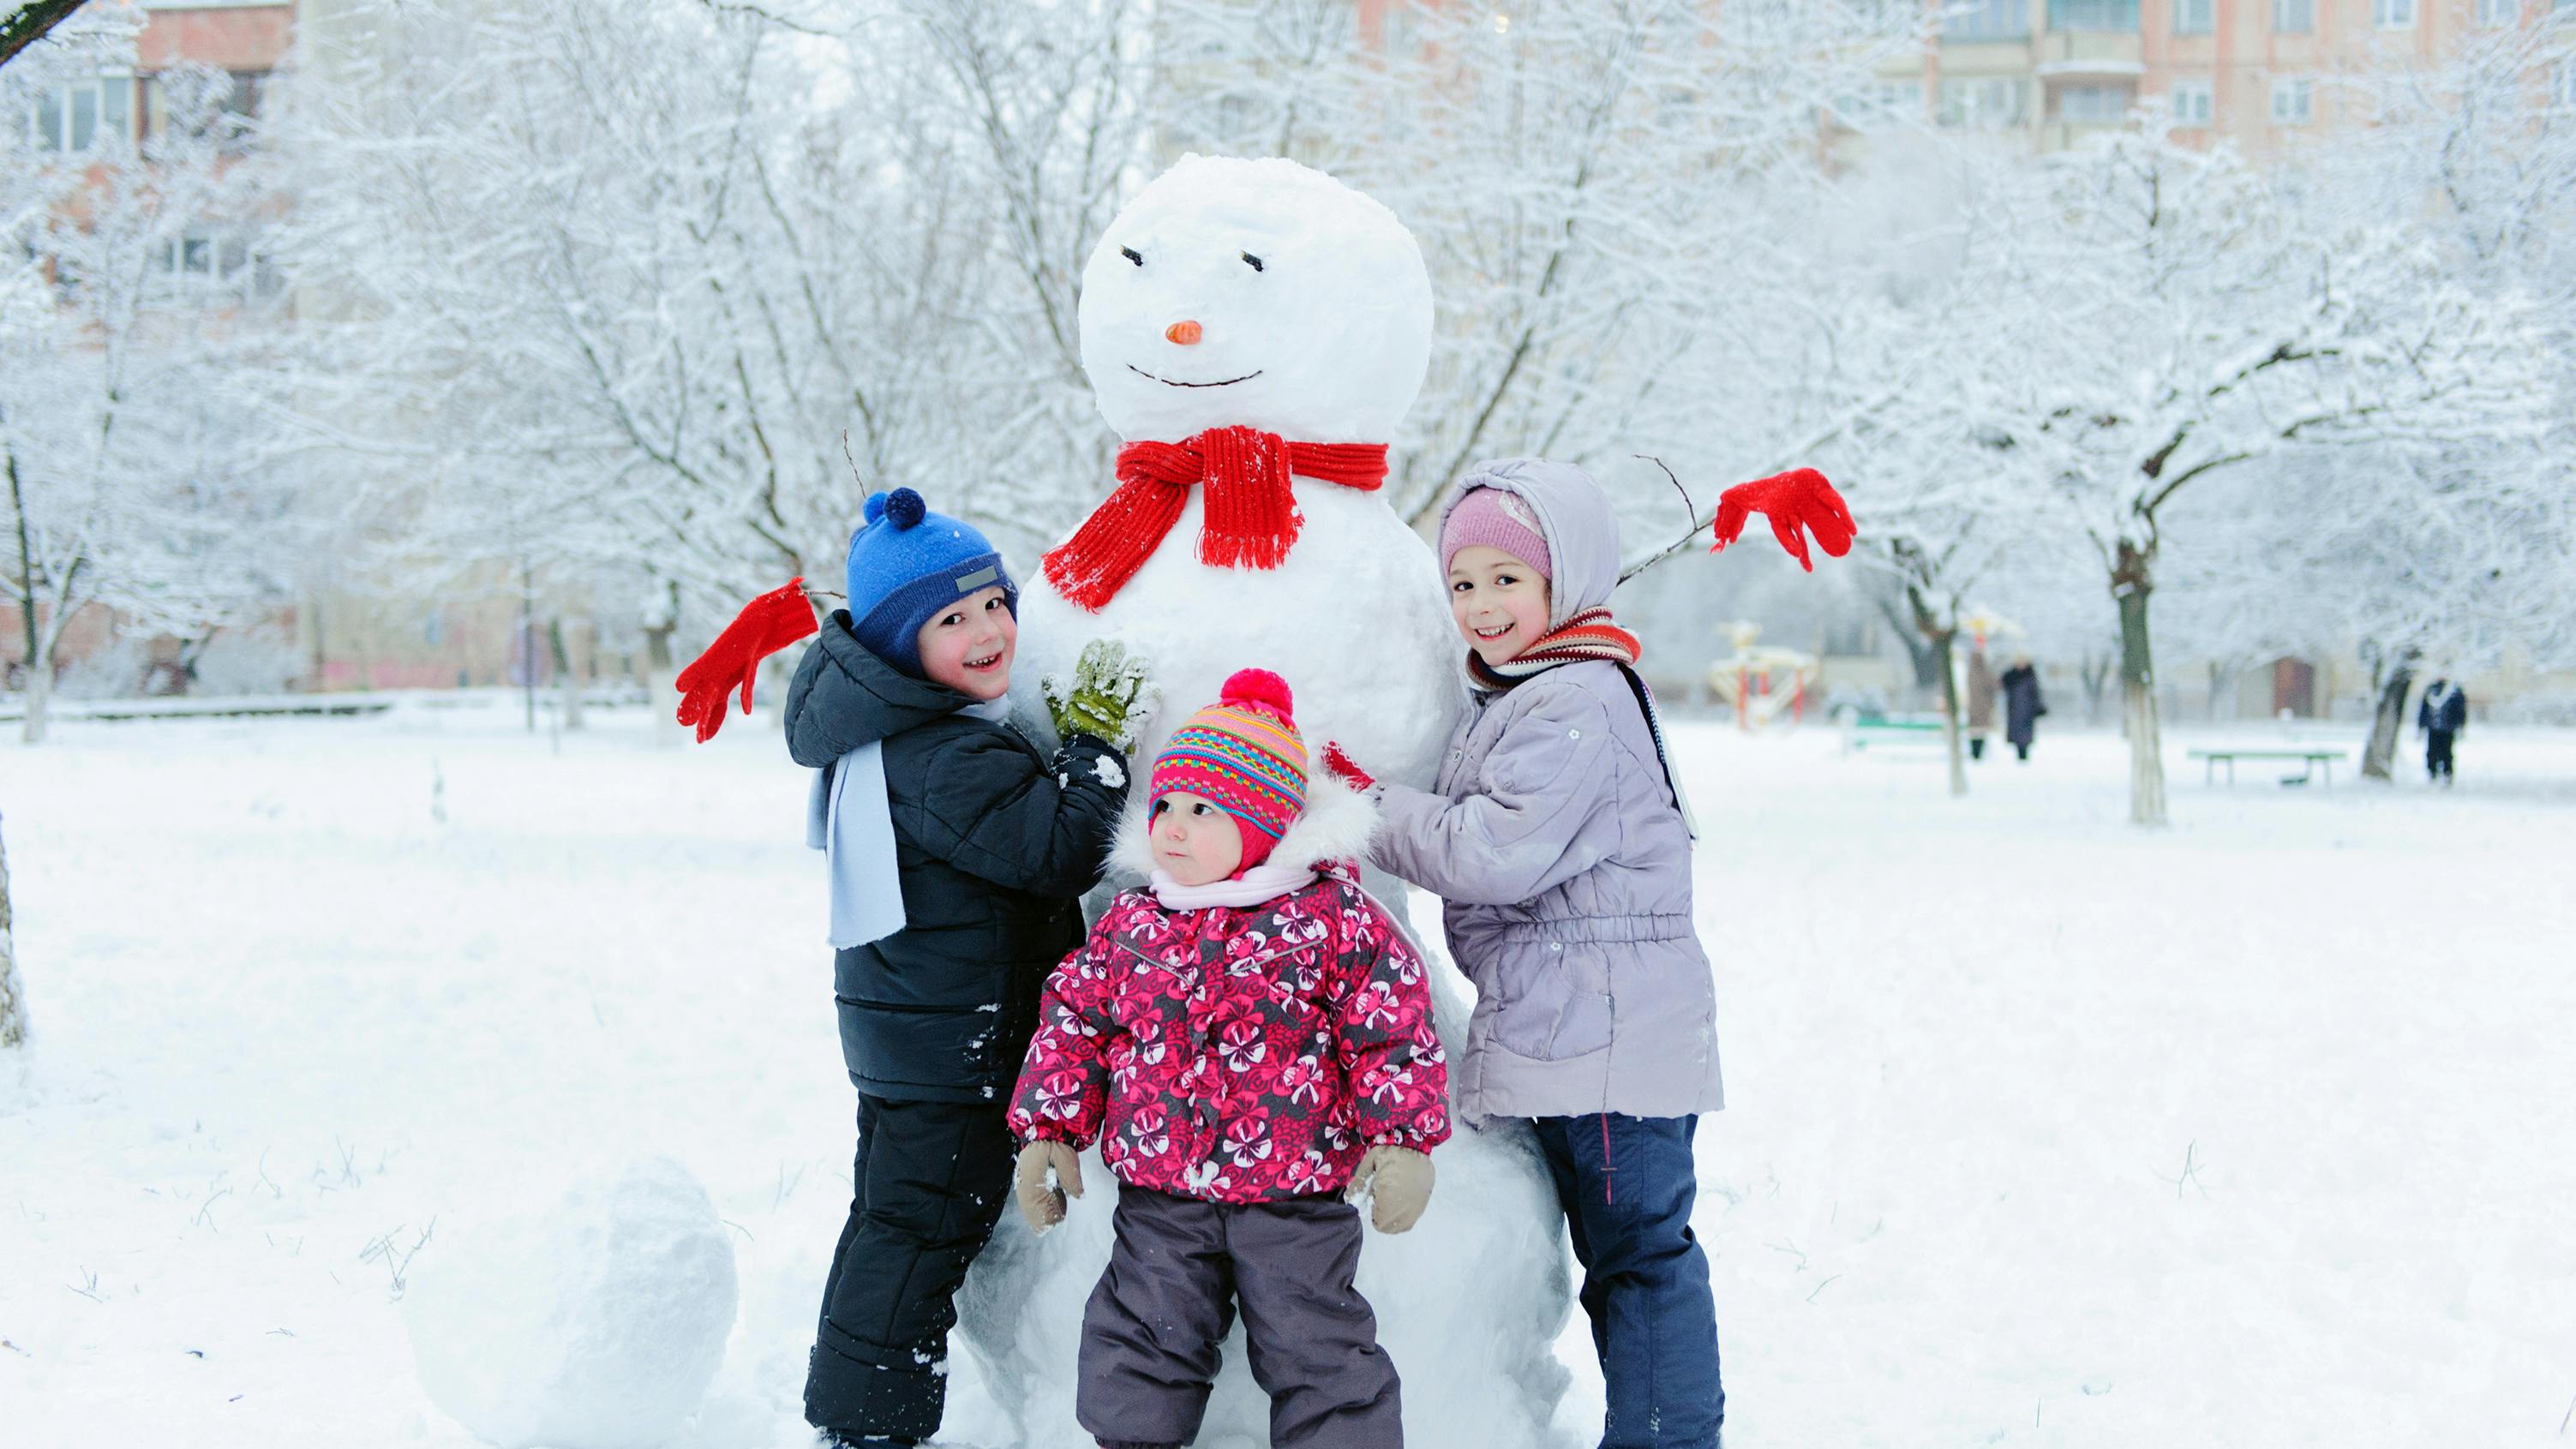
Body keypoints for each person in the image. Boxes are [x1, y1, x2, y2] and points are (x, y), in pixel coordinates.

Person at [1327, 458, 1728, 1449]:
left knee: (1638, 1255)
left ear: (1568, 575)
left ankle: (1668, 1437)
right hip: (1581, 1026)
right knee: (1626, 1254)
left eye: (1508, 577)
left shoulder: (1576, 698)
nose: (1481, 604)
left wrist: (1356, 802)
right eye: (1462, 582)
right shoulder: (1534, 690)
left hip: (1605, 1044)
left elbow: (1491, 849)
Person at [778, 487, 1151, 1449]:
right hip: (957, 1048)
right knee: (918, 1233)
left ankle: (859, 1408)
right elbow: (1059, 849)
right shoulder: (943, 756)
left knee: (896, 1218)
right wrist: (1096, 748)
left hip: (919, 1030)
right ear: (904, 642)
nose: (989, 629)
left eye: (995, 602)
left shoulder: (902, 732)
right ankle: (869, 1423)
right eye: (953, 618)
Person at [1009, 668, 1449, 1449]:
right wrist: (1048, 1126)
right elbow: (1075, 1020)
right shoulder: (1133, 924)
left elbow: (1391, 1029)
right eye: (1165, 806)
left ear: (1263, 826)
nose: (1172, 827)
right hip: (1161, 1195)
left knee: (1320, 1347)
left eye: (1202, 809)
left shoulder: (1330, 919)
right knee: (1139, 1338)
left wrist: (1403, 1140)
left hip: (1295, 1193)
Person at [2418, 676, 2467, 785]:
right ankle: (2432, 773)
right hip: (2433, 729)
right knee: (2432, 752)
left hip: (2448, 729)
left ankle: (2447, 773)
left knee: (2446, 752)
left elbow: (2460, 710)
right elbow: (2424, 708)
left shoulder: (2454, 690)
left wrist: (2460, 724)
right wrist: (2421, 724)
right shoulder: (2432, 689)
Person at [1999, 653, 2046, 762]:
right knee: (2017, 735)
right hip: (2014, 710)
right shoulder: (2011, 676)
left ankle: (2024, 757)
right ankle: (2020, 757)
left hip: (2027, 711)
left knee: (2025, 735)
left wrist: (2038, 707)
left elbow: (2036, 693)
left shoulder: (2030, 675)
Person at [1967, 647, 1998, 761]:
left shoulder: (1971, 673)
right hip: (1982, 706)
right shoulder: (1984, 672)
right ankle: (1977, 753)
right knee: (1980, 730)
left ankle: (1976, 753)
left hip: (1975, 707)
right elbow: (1995, 685)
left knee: (1976, 730)